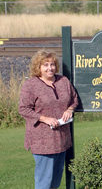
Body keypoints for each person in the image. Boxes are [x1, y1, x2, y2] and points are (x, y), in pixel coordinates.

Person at [19, 50, 78, 189]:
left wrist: (70, 109)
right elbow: (23, 109)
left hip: (62, 139)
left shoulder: (63, 81)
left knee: (56, 181)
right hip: (42, 141)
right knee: (44, 182)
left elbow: (74, 100)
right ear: (38, 67)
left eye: (52, 64)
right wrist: (44, 118)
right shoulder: (31, 85)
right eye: (45, 65)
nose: (50, 68)